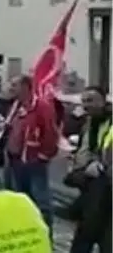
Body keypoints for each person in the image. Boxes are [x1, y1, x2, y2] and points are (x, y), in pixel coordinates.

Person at [2, 75, 59, 232]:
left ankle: (45, 233)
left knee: (40, 201)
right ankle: (24, 231)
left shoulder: (41, 107)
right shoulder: (16, 106)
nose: (11, 88)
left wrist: (44, 155)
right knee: (19, 199)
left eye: (15, 85)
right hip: (15, 160)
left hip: (33, 161)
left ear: (26, 87)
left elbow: (51, 132)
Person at [67, 86, 111, 253]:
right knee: (86, 235)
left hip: (106, 188)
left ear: (103, 101)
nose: (86, 105)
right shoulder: (88, 122)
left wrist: (100, 165)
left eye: (91, 100)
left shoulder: (109, 122)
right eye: (84, 101)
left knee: (102, 237)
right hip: (89, 186)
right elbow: (84, 146)